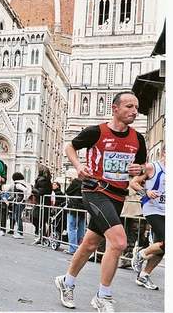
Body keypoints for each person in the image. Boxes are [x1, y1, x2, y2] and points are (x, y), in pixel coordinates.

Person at [55, 91, 146, 312]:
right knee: (118, 242)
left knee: (90, 244)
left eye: (136, 107)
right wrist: (78, 166)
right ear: (115, 109)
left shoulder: (138, 139)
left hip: (118, 196)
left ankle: (66, 282)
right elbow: (70, 147)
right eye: (129, 107)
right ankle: (103, 296)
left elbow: (141, 169)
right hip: (95, 190)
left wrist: (139, 172)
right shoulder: (96, 131)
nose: (134, 111)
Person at [130, 144, 165, 290]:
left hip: (166, 210)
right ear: (165, 152)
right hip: (152, 208)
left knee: (163, 247)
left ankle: (144, 275)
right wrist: (146, 192)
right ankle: (140, 254)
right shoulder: (152, 167)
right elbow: (134, 182)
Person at [65, 172, 85, 255]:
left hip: (74, 207)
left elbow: (68, 191)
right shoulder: (87, 183)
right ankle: (80, 248)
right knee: (81, 228)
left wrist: (72, 182)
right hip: (83, 207)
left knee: (72, 228)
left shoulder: (76, 182)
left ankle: (72, 248)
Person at [6, 172, 31, 239]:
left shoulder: (17, 185)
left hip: (19, 202)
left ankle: (20, 232)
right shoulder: (23, 183)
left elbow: (25, 190)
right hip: (20, 201)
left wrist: (23, 199)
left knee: (17, 216)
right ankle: (19, 232)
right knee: (17, 216)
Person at [32, 165, 52, 244]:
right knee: (40, 220)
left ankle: (41, 236)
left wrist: (33, 189)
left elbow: (40, 192)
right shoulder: (46, 180)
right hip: (43, 202)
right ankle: (42, 236)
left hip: (42, 202)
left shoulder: (42, 180)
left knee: (38, 219)